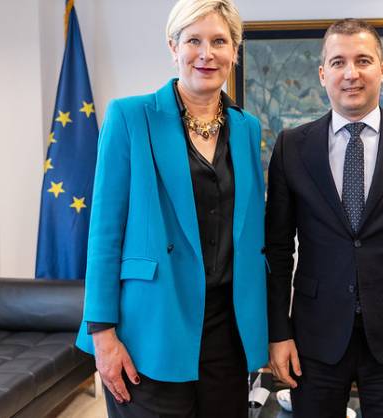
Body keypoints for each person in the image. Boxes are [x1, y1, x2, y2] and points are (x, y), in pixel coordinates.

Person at [75, 1, 267, 416]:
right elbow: (105, 234)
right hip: (150, 328)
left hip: (227, 329)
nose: (206, 53)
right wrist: (102, 335)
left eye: (219, 41)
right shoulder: (130, 117)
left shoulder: (247, 128)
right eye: (193, 40)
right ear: (173, 46)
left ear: (234, 51)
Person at [265, 18, 383, 418]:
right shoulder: (291, 147)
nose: (351, 73)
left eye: (363, 60)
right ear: (323, 74)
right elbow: (278, 250)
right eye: (338, 62)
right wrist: (278, 332)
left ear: (382, 69)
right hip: (315, 336)